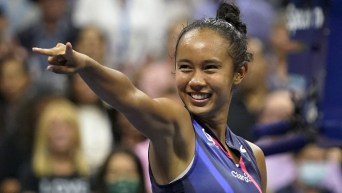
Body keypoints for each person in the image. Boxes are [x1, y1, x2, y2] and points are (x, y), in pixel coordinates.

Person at [33, 2, 267, 193]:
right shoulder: (177, 127)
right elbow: (129, 96)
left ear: (239, 73)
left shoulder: (254, 157)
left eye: (210, 68)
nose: (195, 80)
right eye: (185, 67)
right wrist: (86, 65)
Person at [19, 97, 91, 193]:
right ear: (44, 133)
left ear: (76, 132)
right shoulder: (31, 173)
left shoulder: (87, 172)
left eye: (67, 126)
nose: (60, 132)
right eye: (54, 126)